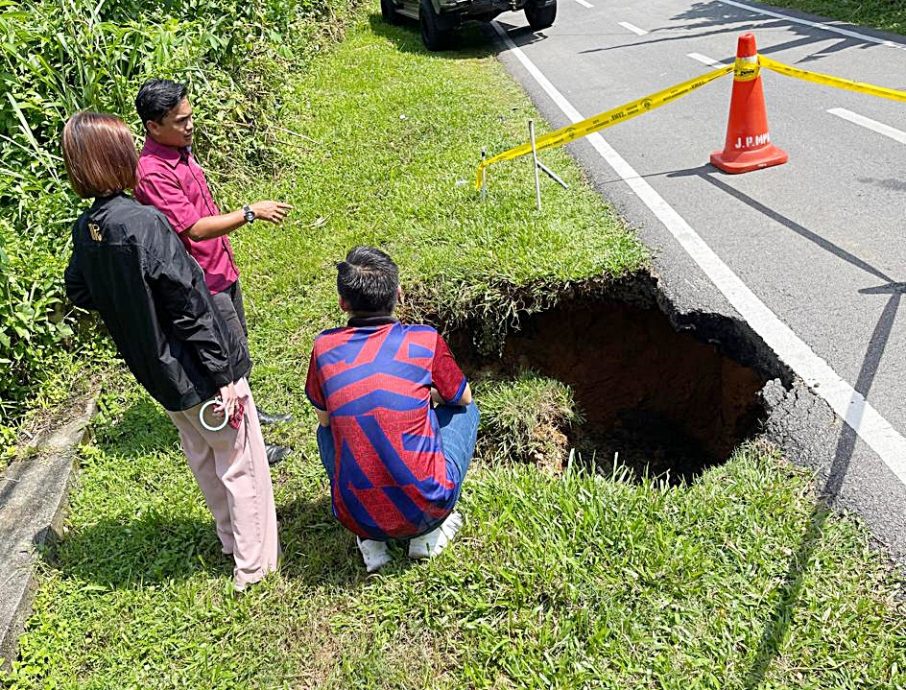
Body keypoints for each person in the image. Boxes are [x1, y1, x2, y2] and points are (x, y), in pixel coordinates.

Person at [62, 111, 279, 592]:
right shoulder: (144, 222)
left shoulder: (89, 227)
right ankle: (254, 567)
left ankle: (229, 539)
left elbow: (78, 288)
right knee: (240, 459)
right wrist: (224, 376)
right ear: (117, 159)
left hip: (155, 371)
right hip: (198, 366)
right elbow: (189, 305)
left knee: (203, 453)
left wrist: (129, 305)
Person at [132, 78, 292, 466]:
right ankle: (249, 444)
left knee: (240, 349)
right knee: (226, 363)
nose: (190, 126)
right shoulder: (153, 172)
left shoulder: (181, 151)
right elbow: (194, 228)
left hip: (222, 269)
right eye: (180, 121)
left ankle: (253, 414)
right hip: (200, 280)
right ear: (154, 126)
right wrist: (250, 211)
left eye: (190, 117)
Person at [304, 247, 479, 572]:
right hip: (430, 508)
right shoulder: (424, 341)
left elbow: (325, 418)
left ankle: (372, 541)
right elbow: (463, 397)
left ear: (343, 303)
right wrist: (429, 398)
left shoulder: (324, 347)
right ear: (398, 294)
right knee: (467, 411)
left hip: (356, 517)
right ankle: (428, 536)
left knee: (327, 431)